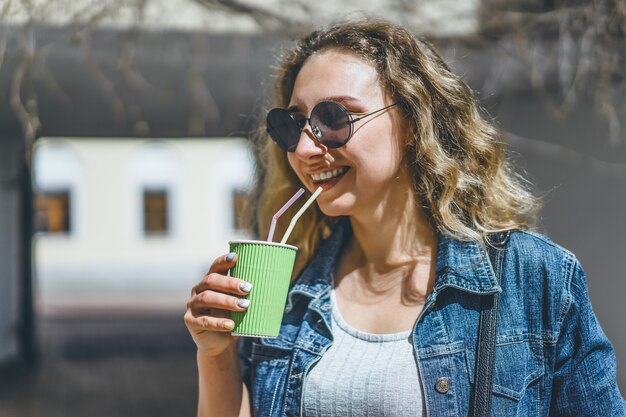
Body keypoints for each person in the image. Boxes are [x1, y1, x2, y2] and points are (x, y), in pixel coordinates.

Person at [184, 19, 626, 417]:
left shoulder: (534, 278)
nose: (303, 149)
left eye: (334, 118)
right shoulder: (287, 282)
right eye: (293, 123)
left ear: (413, 121)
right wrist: (215, 352)